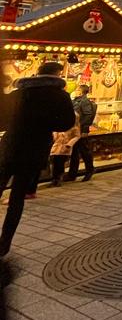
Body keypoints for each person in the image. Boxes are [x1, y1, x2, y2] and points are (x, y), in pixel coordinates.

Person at [0, 62, 75, 256]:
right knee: (17, 198)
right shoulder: (60, 96)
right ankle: (4, 242)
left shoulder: (20, 93)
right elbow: (66, 123)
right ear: (57, 75)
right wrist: (44, 123)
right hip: (34, 149)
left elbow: (2, 119)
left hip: (10, 145)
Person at [66, 85, 97, 181]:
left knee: (84, 151)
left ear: (82, 91)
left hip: (81, 130)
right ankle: (72, 174)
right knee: (75, 152)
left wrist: (83, 129)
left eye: (77, 89)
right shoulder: (76, 100)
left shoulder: (84, 101)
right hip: (75, 130)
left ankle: (89, 170)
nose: (75, 90)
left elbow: (88, 115)